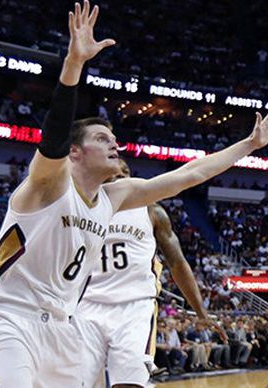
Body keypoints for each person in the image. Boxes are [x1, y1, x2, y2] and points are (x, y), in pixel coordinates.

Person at [0, 0, 268, 388]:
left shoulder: (115, 198)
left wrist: (249, 145)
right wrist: (74, 65)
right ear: (75, 152)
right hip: (9, 319)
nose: (115, 144)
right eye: (103, 139)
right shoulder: (47, 185)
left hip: (62, 327)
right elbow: (53, 136)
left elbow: (191, 174)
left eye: (114, 138)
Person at [74, 158, 225, 388]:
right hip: (86, 305)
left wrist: (201, 312)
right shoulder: (79, 209)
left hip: (135, 306)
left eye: (125, 173)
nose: (120, 177)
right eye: (113, 173)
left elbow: (177, 264)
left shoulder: (152, 210)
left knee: (129, 384)